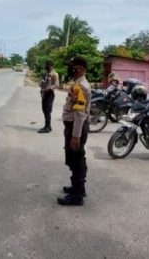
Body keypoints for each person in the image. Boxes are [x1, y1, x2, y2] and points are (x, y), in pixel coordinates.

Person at [58, 56, 91, 206]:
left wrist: (75, 136)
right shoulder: (78, 83)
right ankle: (79, 188)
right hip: (74, 126)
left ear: (81, 69)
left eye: (73, 67)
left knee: (76, 159)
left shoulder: (80, 87)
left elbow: (79, 113)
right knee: (76, 158)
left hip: (75, 127)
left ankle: (77, 196)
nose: (71, 69)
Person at [38, 61, 59, 133]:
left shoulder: (54, 74)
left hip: (50, 94)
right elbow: (42, 84)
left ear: (52, 66)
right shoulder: (45, 74)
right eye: (46, 66)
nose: (46, 67)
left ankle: (48, 127)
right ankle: (47, 126)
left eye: (48, 66)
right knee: (44, 109)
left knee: (47, 110)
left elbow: (56, 85)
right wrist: (41, 83)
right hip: (44, 94)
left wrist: (48, 89)